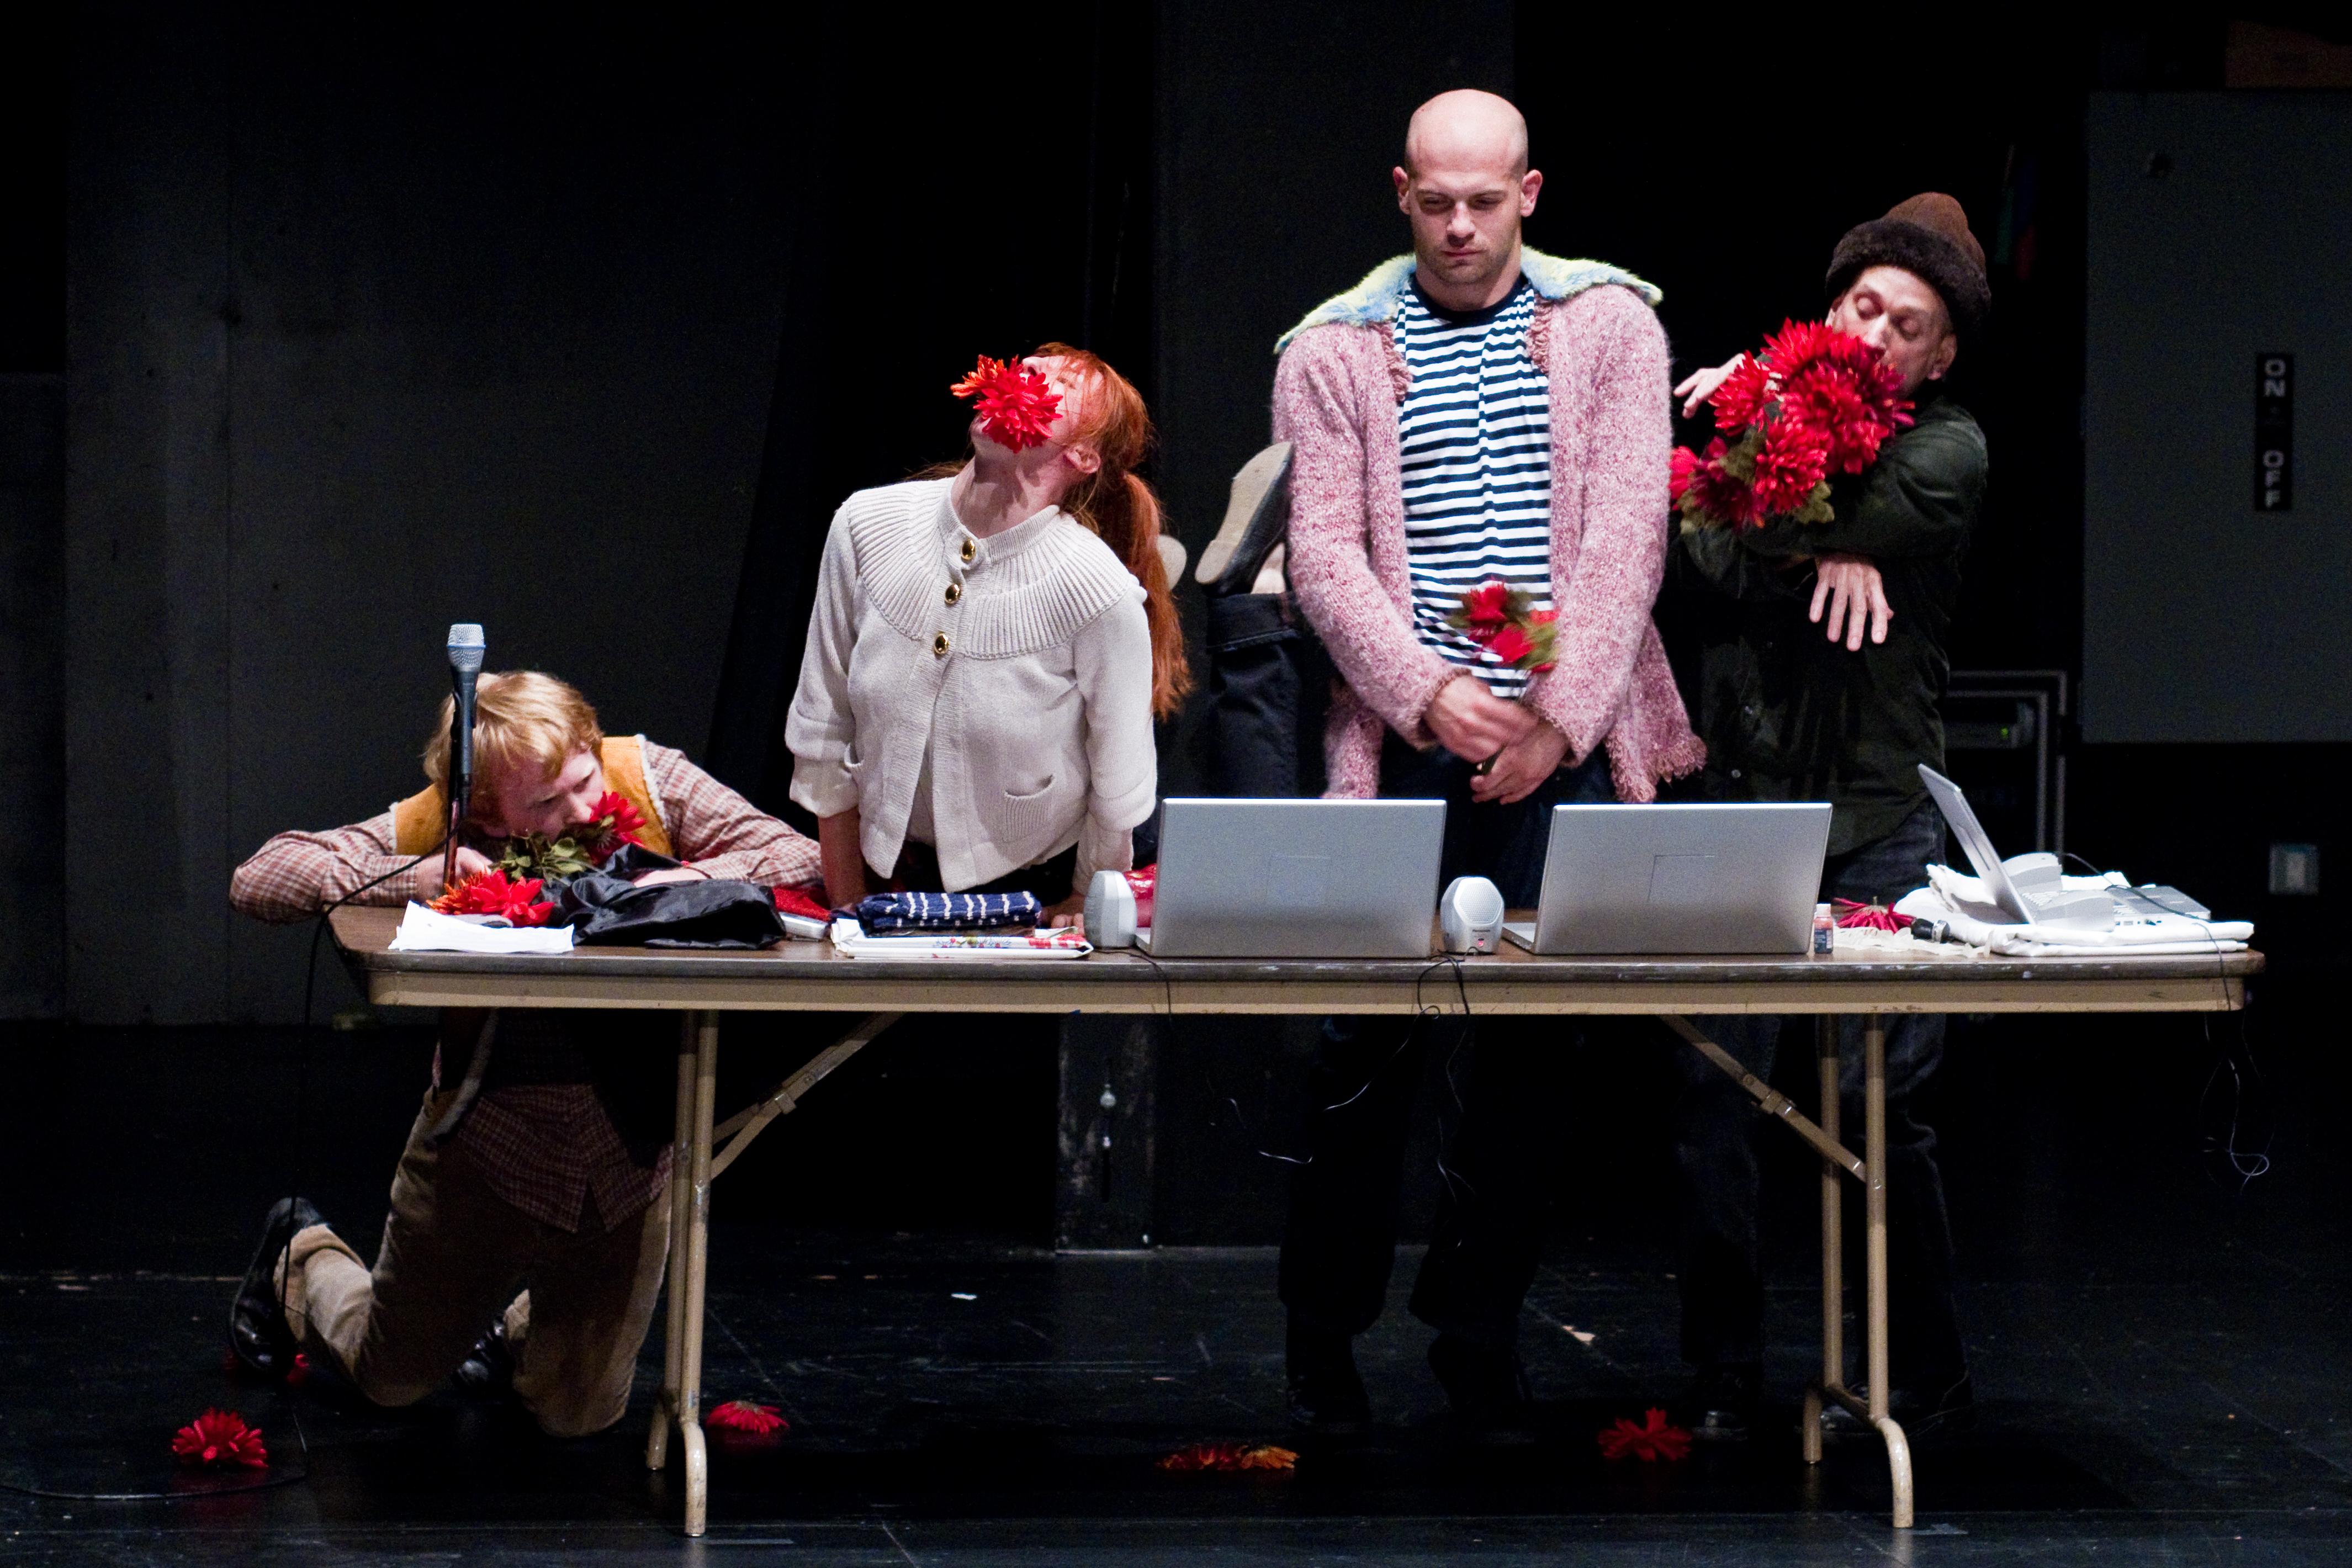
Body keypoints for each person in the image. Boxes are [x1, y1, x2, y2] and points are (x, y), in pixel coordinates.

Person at [1270, 89, 1702, 1433]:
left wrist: (1555, 722)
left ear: (1530, 192)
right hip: (1404, 740)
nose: (1460, 226)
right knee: (1360, 1053)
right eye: (1435, 200)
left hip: (1556, 742)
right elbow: (1322, 555)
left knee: (1533, 1056)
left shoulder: (1612, 327)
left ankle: (1475, 1326)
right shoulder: (1332, 349)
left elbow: (1628, 534)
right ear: (1400, 191)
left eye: (1485, 199)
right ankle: (1321, 1340)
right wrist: (1425, 692)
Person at [227, 671, 820, 1437]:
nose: (580, 812)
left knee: (575, 1414)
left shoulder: (644, 777)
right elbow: (261, 879)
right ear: (487, 811)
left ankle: (509, 1328)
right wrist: (424, 876)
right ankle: (300, 1257)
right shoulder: (450, 823)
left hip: (629, 1158)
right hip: (488, 1142)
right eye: (545, 805)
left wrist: (677, 885)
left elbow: (795, 854)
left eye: (582, 780)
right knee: (389, 1379)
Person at [1665, 193, 1991, 1441]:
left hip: (1879, 815)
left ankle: (1923, 1369)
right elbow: (1696, 539)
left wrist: (1792, 500)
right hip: (1744, 804)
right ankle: (1719, 1370)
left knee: (1880, 1108)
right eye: (1860, 305)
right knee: (1713, 1099)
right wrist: (1796, 500)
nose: (1875, 330)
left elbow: (1868, 508)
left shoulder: (1950, 445)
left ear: (1938, 353)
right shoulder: (1755, 420)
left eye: (1905, 323)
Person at [786, 345, 1184, 917]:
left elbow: (1120, 781)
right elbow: (821, 726)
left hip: (1029, 892)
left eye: (1057, 387)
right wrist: (849, 897)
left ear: (1083, 456)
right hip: (884, 877)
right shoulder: (864, 524)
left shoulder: (1099, 590)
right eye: (1026, 370)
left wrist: (1085, 897)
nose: (1022, 382)